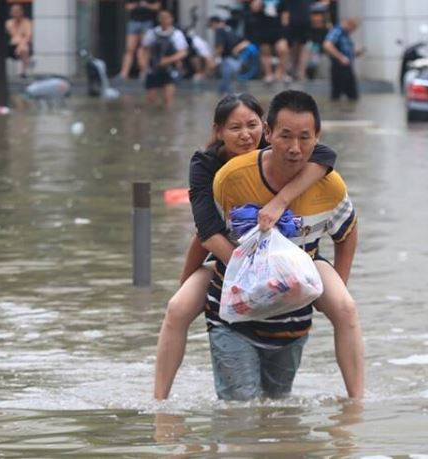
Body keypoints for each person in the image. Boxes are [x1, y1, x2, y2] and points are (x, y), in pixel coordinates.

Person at [153, 93, 364, 400]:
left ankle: (356, 403)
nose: (245, 135)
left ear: (263, 128)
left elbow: (326, 158)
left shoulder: (293, 155)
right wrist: (245, 269)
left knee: (345, 307)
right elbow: (204, 232)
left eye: (251, 125)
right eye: (234, 127)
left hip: (299, 257)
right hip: (229, 256)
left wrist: (281, 201)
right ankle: (160, 402)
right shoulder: (213, 170)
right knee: (177, 307)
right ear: (219, 132)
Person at [140, 9, 188, 108]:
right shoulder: (151, 33)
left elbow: (183, 52)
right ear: (159, 19)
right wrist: (142, 63)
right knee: (150, 100)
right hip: (153, 69)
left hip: (170, 70)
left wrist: (168, 60)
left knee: (168, 99)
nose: (164, 19)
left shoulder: (177, 34)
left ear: (171, 19)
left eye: (167, 17)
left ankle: (169, 120)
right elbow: (144, 49)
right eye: (162, 17)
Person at [245, 0, 290, 83]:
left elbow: (285, 15)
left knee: (283, 50)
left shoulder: (281, 1)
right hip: (263, 28)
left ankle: (281, 72)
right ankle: (268, 74)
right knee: (265, 52)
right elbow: (253, 9)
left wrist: (285, 30)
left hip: (278, 28)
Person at [119, 0, 161, 80]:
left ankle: (144, 71)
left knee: (145, 48)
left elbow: (157, 7)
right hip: (134, 21)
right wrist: (137, 5)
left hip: (147, 22)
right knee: (130, 48)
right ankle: (124, 73)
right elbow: (127, 7)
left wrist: (146, 5)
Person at [208, 16, 251, 94]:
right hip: (238, 61)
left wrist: (213, 59)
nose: (211, 29)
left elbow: (220, 47)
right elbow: (246, 42)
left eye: (211, 26)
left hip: (228, 61)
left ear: (214, 23)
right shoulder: (230, 29)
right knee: (233, 86)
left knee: (225, 89)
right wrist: (236, 50)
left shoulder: (219, 30)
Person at [323, 18, 364, 101]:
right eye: (353, 28)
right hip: (339, 67)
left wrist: (355, 53)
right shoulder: (337, 31)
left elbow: (345, 50)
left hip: (346, 66)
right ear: (349, 24)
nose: (353, 31)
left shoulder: (345, 34)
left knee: (351, 95)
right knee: (341, 94)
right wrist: (341, 57)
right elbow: (327, 45)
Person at [281, 0, 315, 81]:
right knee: (291, 48)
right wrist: (285, 26)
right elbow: (284, 10)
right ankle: (289, 71)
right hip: (292, 22)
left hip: (305, 22)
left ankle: (301, 72)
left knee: (303, 47)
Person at [5, 4, 33, 78]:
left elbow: (28, 35)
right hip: (12, 46)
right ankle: (25, 67)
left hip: (24, 46)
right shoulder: (9, 23)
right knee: (24, 48)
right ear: (11, 12)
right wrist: (21, 43)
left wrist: (20, 46)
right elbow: (14, 35)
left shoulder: (27, 22)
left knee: (24, 49)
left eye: (18, 11)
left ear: (22, 12)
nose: (16, 13)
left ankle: (22, 72)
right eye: (14, 11)